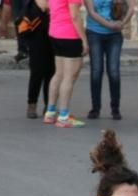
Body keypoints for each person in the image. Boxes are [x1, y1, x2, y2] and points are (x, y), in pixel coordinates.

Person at [44, 0, 89, 128]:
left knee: (59, 74)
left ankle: (50, 112)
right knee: (69, 76)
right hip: (69, 34)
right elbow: (74, 15)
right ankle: (63, 116)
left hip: (55, 32)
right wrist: (84, 39)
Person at [84, 0, 128, 120]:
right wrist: (110, 25)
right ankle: (95, 108)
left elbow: (132, 8)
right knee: (96, 71)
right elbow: (92, 12)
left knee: (114, 71)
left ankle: (115, 108)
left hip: (115, 36)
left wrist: (122, 23)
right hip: (94, 33)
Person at [19, 0, 54, 118]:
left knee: (51, 72)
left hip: (53, 37)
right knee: (37, 72)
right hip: (36, 38)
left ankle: (49, 105)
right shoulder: (31, 5)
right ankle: (32, 104)